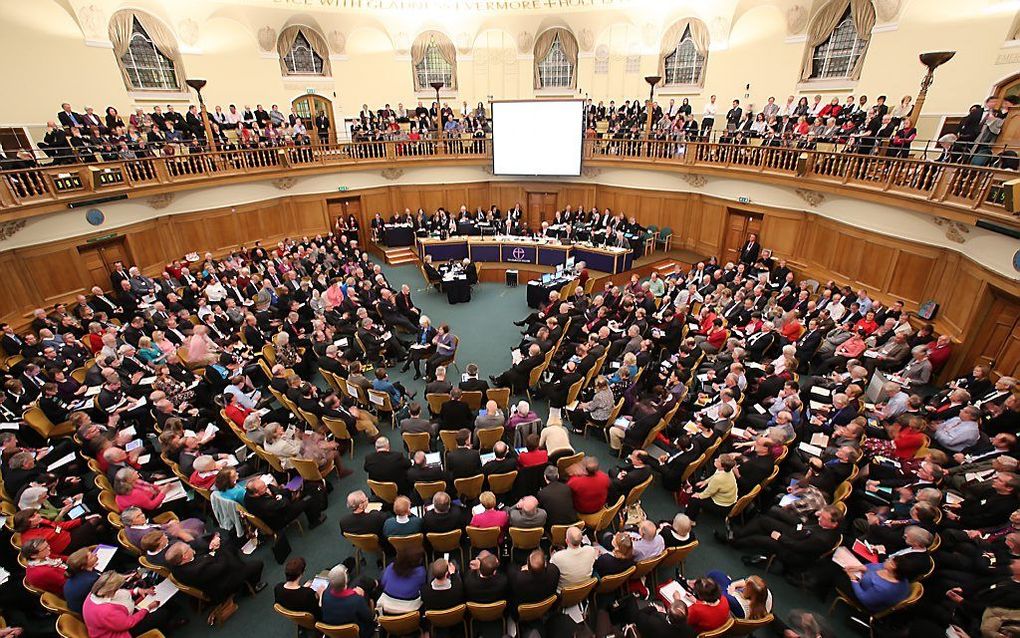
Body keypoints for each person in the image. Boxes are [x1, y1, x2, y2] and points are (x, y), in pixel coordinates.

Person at [81, 571, 161, 638]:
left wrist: (136, 591)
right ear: (111, 590)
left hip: (119, 620)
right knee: (161, 614)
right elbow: (129, 623)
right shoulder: (106, 611)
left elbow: (120, 594)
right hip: (120, 632)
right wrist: (147, 608)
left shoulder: (96, 592)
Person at [319, 564, 375, 638]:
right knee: (362, 584)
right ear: (346, 581)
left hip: (332, 632)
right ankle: (376, 584)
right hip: (358, 633)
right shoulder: (357, 600)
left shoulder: (325, 594)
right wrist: (360, 596)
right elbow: (369, 617)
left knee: (359, 580)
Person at [377, 545, 426, 614]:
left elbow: (383, 583)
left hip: (387, 607)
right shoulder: (421, 572)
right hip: (410, 609)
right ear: (419, 560)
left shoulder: (390, 567)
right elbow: (422, 586)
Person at [274, 556, 321, 622]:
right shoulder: (308, 594)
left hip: (296, 614)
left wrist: (303, 588)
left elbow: (294, 595)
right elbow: (318, 609)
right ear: (301, 573)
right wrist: (320, 594)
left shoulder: (278, 587)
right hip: (314, 620)